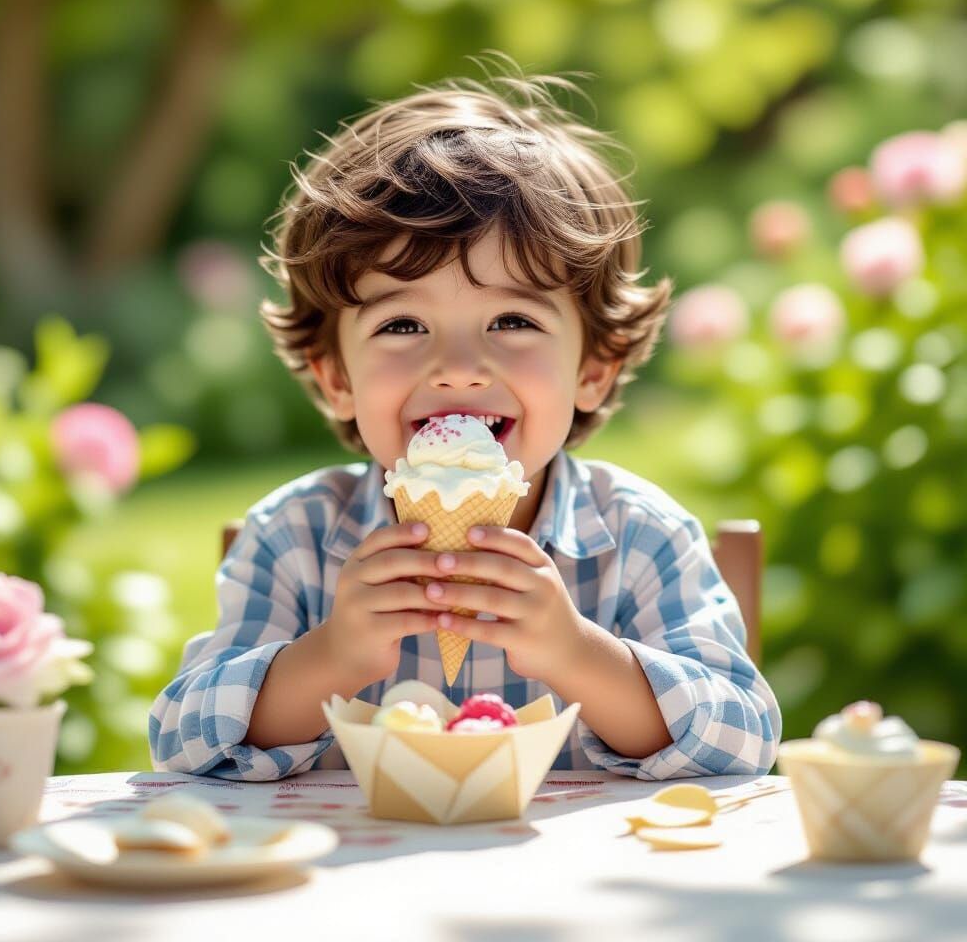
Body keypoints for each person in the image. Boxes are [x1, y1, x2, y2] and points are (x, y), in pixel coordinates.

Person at [149, 67, 781, 781]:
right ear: (336, 376)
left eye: (512, 320)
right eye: (403, 323)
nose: (457, 366)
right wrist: (329, 659)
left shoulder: (638, 541)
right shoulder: (297, 542)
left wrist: (579, 656)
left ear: (593, 369)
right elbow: (183, 740)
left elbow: (744, 740)